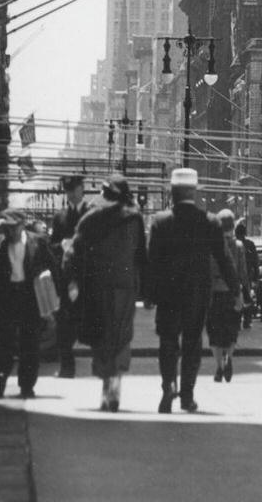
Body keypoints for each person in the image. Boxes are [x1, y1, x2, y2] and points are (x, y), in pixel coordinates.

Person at [146, 167, 237, 413]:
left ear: (173, 193)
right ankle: (187, 395)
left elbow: (151, 261)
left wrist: (148, 294)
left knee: (167, 341)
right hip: (197, 294)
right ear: (194, 192)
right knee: (192, 343)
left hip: (168, 294)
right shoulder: (209, 222)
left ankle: (168, 387)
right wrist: (236, 289)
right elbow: (224, 259)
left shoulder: (160, 222)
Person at [71, 174, 147, 412]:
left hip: (97, 287)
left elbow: (75, 252)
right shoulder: (135, 219)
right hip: (125, 288)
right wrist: (144, 290)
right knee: (121, 336)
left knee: (101, 336)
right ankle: (114, 383)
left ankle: (107, 384)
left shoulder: (91, 218)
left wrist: (74, 282)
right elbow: (141, 257)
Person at [0, 211, 54, 400]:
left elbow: (52, 267)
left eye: (14, 227)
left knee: (30, 344)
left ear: (23, 224)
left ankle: (27, 386)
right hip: (6, 298)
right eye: (7, 227)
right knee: (4, 344)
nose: (11, 231)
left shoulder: (38, 242)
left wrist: (52, 301)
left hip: (30, 297)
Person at [49, 173, 90, 377]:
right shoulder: (60, 217)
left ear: (82, 189)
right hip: (65, 277)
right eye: (68, 191)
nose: (71, 194)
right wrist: (61, 245)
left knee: (87, 320)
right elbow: (52, 245)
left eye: (74, 190)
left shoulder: (91, 213)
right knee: (64, 323)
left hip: (86, 276)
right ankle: (67, 367)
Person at [206, 208, 247, 383]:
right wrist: (245, 291)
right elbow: (243, 273)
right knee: (231, 330)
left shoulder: (211, 245)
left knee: (214, 332)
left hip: (214, 293)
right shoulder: (238, 246)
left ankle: (219, 366)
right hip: (232, 293)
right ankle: (229, 357)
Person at [235, 218, 261, 326]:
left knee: (237, 297)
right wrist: (256, 275)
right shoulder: (250, 244)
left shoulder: (233, 244)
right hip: (247, 276)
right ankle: (247, 320)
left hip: (235, 275)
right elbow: (256, 261)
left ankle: (237, 319)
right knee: (247, 297)